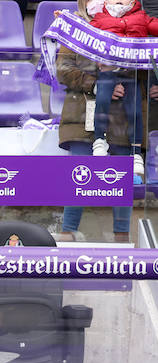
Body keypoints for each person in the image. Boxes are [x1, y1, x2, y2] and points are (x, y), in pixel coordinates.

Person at [55, 20, 148, 242]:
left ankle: (122, 240)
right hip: (81, 120)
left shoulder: (133, 30)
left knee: (122, 182)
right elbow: (63, 69)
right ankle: (67, 235)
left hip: (123, 121)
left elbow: (145, 70)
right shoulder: (76, 30)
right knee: (79, 178)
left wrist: (120, 75)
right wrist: (97, 84)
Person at [85, 0, 150, 180]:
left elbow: (153, 27)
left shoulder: (141, 17)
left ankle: (136, 152)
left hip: (131, 73)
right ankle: (99, 140)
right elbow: (85, 37)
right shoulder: (99, 18)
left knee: (134, 109)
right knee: (103, 100)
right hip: (107, 70)